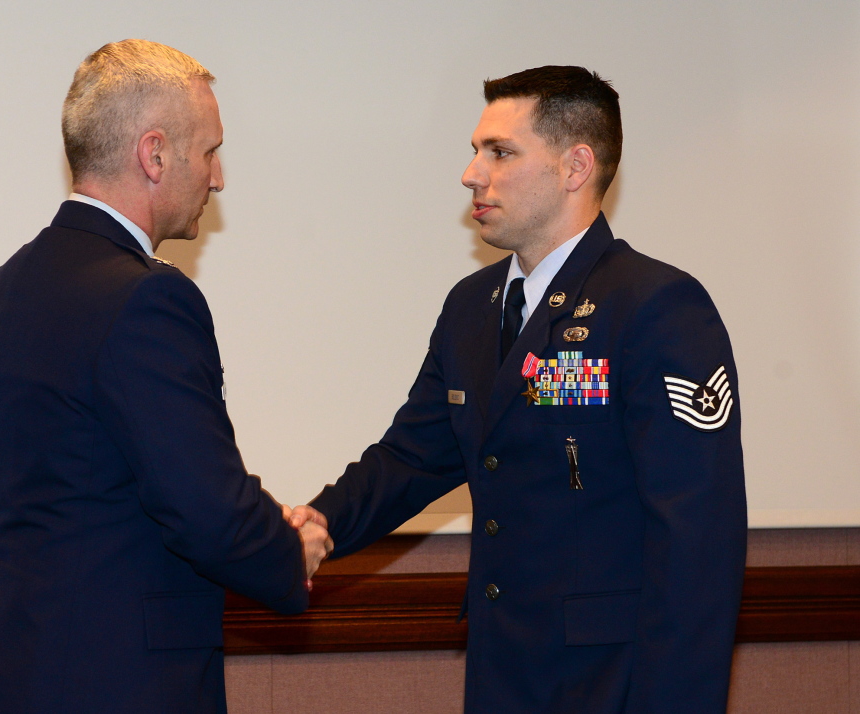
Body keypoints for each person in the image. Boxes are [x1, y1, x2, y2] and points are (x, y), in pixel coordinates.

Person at [292, 66, 746, 713]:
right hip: (503, 673)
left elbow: (698, 542)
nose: (472, 174)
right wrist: (313, 527)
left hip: (613, 682)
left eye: (500, 152)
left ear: (575, 166)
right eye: (477, 151)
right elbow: (412, 457)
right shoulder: (472, 307)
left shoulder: (655, 306)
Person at [0, 39, 332, 714]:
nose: (219, 178)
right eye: (210, 151)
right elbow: (203, 509)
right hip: (116, 680)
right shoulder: (148, 298)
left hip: (5, 674)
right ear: (154, 154)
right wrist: (286, 548)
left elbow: (65, 499)